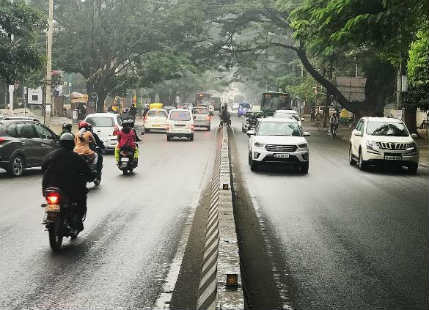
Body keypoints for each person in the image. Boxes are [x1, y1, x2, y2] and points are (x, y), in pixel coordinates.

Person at [42, 133, 92, 231]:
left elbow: (43, 167)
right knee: (81, 199)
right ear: (72, 144)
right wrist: (91, 176)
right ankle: (77, 220)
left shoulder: (51, 155)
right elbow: (87, 171)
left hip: (50, 186)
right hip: (69, 190)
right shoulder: (76, 157)